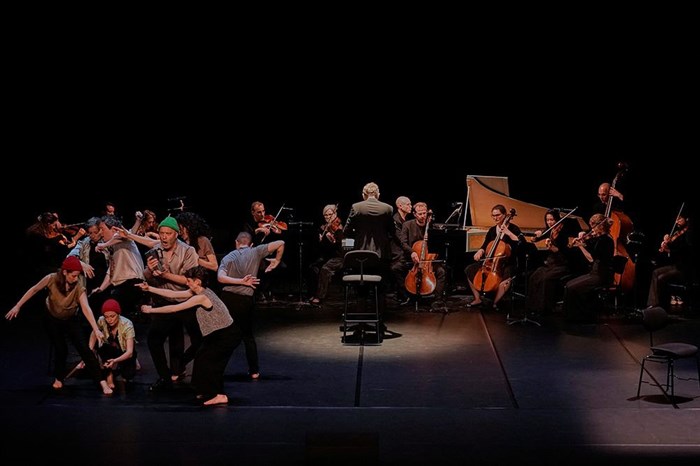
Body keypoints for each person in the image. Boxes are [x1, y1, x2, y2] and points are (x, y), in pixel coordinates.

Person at [5, 256, 112, 395]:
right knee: (61, 348)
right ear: (65, 272)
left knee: (85, 350)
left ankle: (102, 382)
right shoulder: (51, 279)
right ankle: (58, 378)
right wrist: (18, 305)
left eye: (77, 276)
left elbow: (86, 308)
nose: (76, 278)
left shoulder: (78, 287)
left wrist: (96, 329)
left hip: (70, 319)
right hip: (52, 319)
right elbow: (34, 289)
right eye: (73, 276)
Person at [141, 266, 241, 406]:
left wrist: (151, 310)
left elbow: (174, 308)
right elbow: (173, 294)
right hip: (217, 334)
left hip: (227, 334)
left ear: (197, 281)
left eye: (189, 280)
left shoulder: (201, 297)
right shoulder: (198, 291)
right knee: (200, 357)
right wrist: (150, 289)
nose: (187, 283)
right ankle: (205, 391)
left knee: (211, 362)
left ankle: (219, 395)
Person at [142, 215, 202, 391]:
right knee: (154, 339)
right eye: (161, 233)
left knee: (198, 340)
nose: (164, 237)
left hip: (186, 300)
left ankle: (185, 367)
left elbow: (191, 280)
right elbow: (147, 277)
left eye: (168, 233)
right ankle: (164, 377)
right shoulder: (155, 250)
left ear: (176, 234)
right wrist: (150, 270)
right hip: (165, 300)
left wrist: (166, 275)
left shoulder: (188, 251)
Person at [218, 231, 284, 380]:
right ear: (251, 244)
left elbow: (220, 278)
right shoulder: (256, 251)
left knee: (224, 335)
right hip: (244, 301)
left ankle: (218, 369)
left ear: (236, 243)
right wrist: (276, 260)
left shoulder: (228, 257)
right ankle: (254, 371)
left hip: (226, 299)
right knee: (247, 336)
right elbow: (281, 243)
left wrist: (238, 281)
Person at [464, 204, 523, 310]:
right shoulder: (492, 230)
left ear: (504, 215)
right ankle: (477, 299)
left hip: (508, 262)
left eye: (498, 215)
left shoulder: (514, 228)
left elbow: (521, 243)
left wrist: (508, 233)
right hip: (491, 262)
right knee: (469, 269)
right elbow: (485, 245)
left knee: (507, 276)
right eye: (493, 216)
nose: (495, 218)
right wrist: (480, 251)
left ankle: (495, 302)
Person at [525, 209, 582, 315]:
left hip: (563, 263)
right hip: (552, 263)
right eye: (547, 220)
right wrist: (535, 237)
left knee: (545, 278)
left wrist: (554, 248)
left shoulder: (565, 231)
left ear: (557, 219)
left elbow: (566, 251)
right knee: (534, 276)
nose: (550, 222)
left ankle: (545, 308)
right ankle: (533, 307)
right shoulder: (550, 230)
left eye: (552, 220)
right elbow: (538, 237)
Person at [391, 202, 447, 309]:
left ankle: (437, 299)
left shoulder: (431, 226)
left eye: (424, 213)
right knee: (395, 268)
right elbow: (403, 243)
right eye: (420, 214)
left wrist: (432, 239)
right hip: (412, 259)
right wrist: (412, 252)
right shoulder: (407, 225)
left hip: (428, 260)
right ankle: (407, 296)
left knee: (441, 271)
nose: (422, 216)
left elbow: (439, 245)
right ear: (414, 214)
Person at [563, 214, 615, 323]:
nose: (592, 230)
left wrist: (583, 243)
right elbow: (590, 258)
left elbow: (593, 257)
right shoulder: (598, 239)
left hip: (601, 275)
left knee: (573, 288)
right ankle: (571, 316)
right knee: (568, 285)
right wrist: (582, 244)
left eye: (593, 226)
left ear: (601, 226)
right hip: (594, 272)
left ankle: (580, 317)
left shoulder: (606, 240)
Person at [647, 212, 693, 308]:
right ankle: (652, 304)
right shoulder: (677, 233)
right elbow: (673, 251)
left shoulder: (688, 234)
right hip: (675, 265)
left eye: (679, 219)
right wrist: (665, 242)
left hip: (684, 268)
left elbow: (685, 252)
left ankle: (660, 304)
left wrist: (669, 250)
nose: (677, 221)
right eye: (676, 219)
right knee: (655, 272)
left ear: (687, 219)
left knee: (660, 277)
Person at [89, 298, 137, 389]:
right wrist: (89, 352)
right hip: (110, 348)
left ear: (118, 314)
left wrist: (115, 361)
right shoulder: (101, 320)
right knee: (104, 348)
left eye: (112, 316)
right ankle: (109, 375)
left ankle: (133, 361)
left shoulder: (127, 324)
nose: (109, 320)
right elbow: (94, 334)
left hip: (124, 350)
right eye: (106, 317)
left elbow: (129, 352)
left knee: (128, 375)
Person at [243, 201, 287, 301]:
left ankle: (269, 290)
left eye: (263, 211)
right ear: (253, 212)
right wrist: (258, 230)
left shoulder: (267, 222)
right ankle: (259, 291)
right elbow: (245, 238)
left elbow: (280, 239)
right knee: (262, 266)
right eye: (259, 212)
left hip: (267, 255)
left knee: (281, 266)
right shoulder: (248, 224)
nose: (262, 214)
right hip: (253, 255)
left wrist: (276, 231)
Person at [343, 181, 394, 266]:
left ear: (364, 194)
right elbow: (392, 231)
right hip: (382, 251)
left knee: (362, 272)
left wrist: (358, 234)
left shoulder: (356, 207)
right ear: (378, 194)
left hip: (361, 249)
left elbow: (346, 231)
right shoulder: (388, 208)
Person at [308, 204, 344, 305]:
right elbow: (323, 248)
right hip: (328, 256)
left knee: (325, 269)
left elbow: (341, 247)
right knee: (313, 267)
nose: (328, 217)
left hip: (339, 257)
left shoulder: (340, 228)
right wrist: (321, 240)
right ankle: (312, 293)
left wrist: (334, 241)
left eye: (330, 214)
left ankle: (320, 296)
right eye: (326, 215)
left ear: (335, 214)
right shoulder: (323, 228)